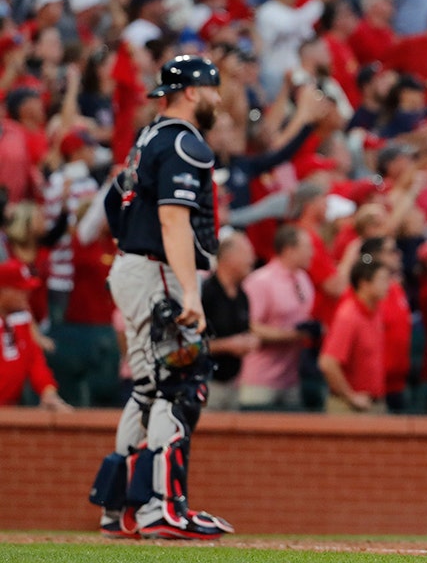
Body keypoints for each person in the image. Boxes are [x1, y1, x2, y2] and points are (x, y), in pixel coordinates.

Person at [91, 56, 233, 540]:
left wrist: (132, 247)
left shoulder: (148, 136)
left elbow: (115, 202)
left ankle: (120, 508)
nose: (218, 98)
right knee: (181, 382)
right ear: (192, 92)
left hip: (135, 266)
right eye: (213, 89)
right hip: (158, 271)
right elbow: (174, 219)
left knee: (148, 389)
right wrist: (189, 290)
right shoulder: (183, 142)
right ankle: (161, 507)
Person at [238, 226, 316, 410]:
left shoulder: (303, 278)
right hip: (261, 382)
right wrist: (292, 335)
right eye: (307, 247)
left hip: (291, 379)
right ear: (289, 250)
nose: (312, 253)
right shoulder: (261, 281)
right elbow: (249, 326)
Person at [319, 256, 392, 413]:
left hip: (375, 402)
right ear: (364, 284)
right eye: (382, 280)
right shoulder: (349, 316)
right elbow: (328, 362)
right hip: (351, 409)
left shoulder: (375, 311)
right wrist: (350, 396)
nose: (388, 286)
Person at [0, 260, 72, 411]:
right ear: (3, 290)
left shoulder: (21, 318)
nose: (27, 294)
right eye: (20, 289)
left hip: (10, 409)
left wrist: (48, 392)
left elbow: (34, 360)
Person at [201, 232, 257, 411]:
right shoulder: (206, 294)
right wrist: (228, 345)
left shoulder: (243, 296)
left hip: (233, 383)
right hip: (207, 383)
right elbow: (188, 346)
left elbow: (245, 330)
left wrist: (249, 341)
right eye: (247, 253)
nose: (252, 259)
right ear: (229, 258)